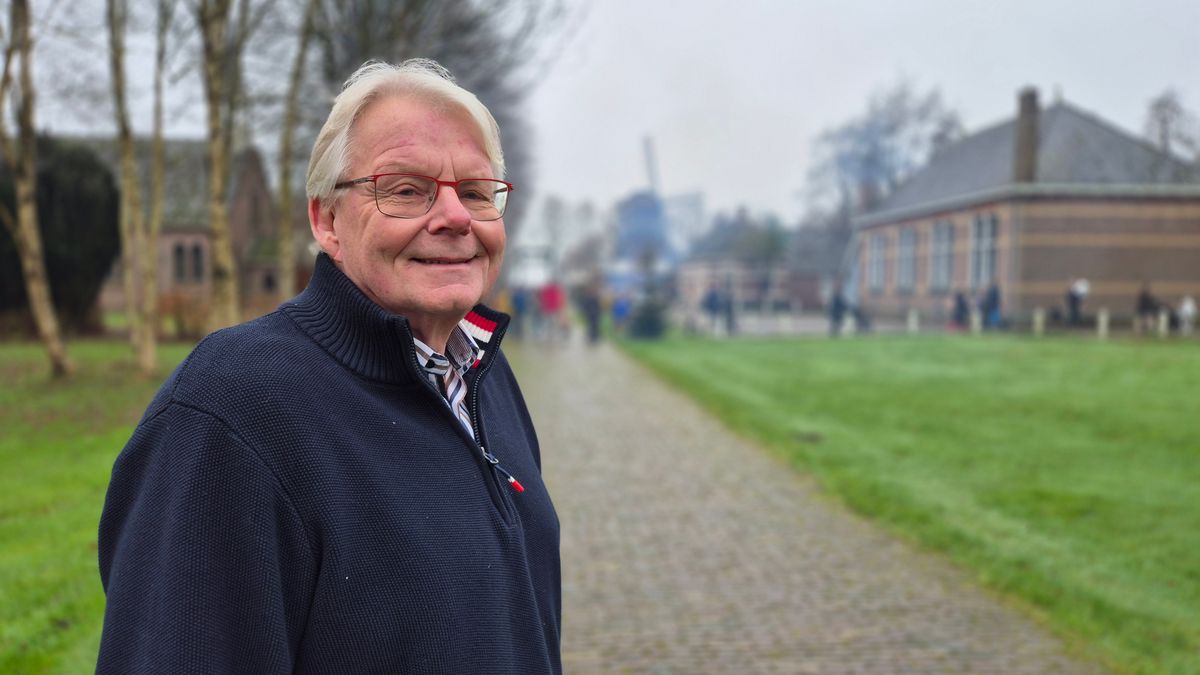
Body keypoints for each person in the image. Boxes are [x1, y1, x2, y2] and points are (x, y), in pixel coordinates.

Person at [96, 60, 561, 674]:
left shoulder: (485, 378)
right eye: (405, 189)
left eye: (475, 193)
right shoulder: (230, 413)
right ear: (325, 219)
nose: (454, 217)